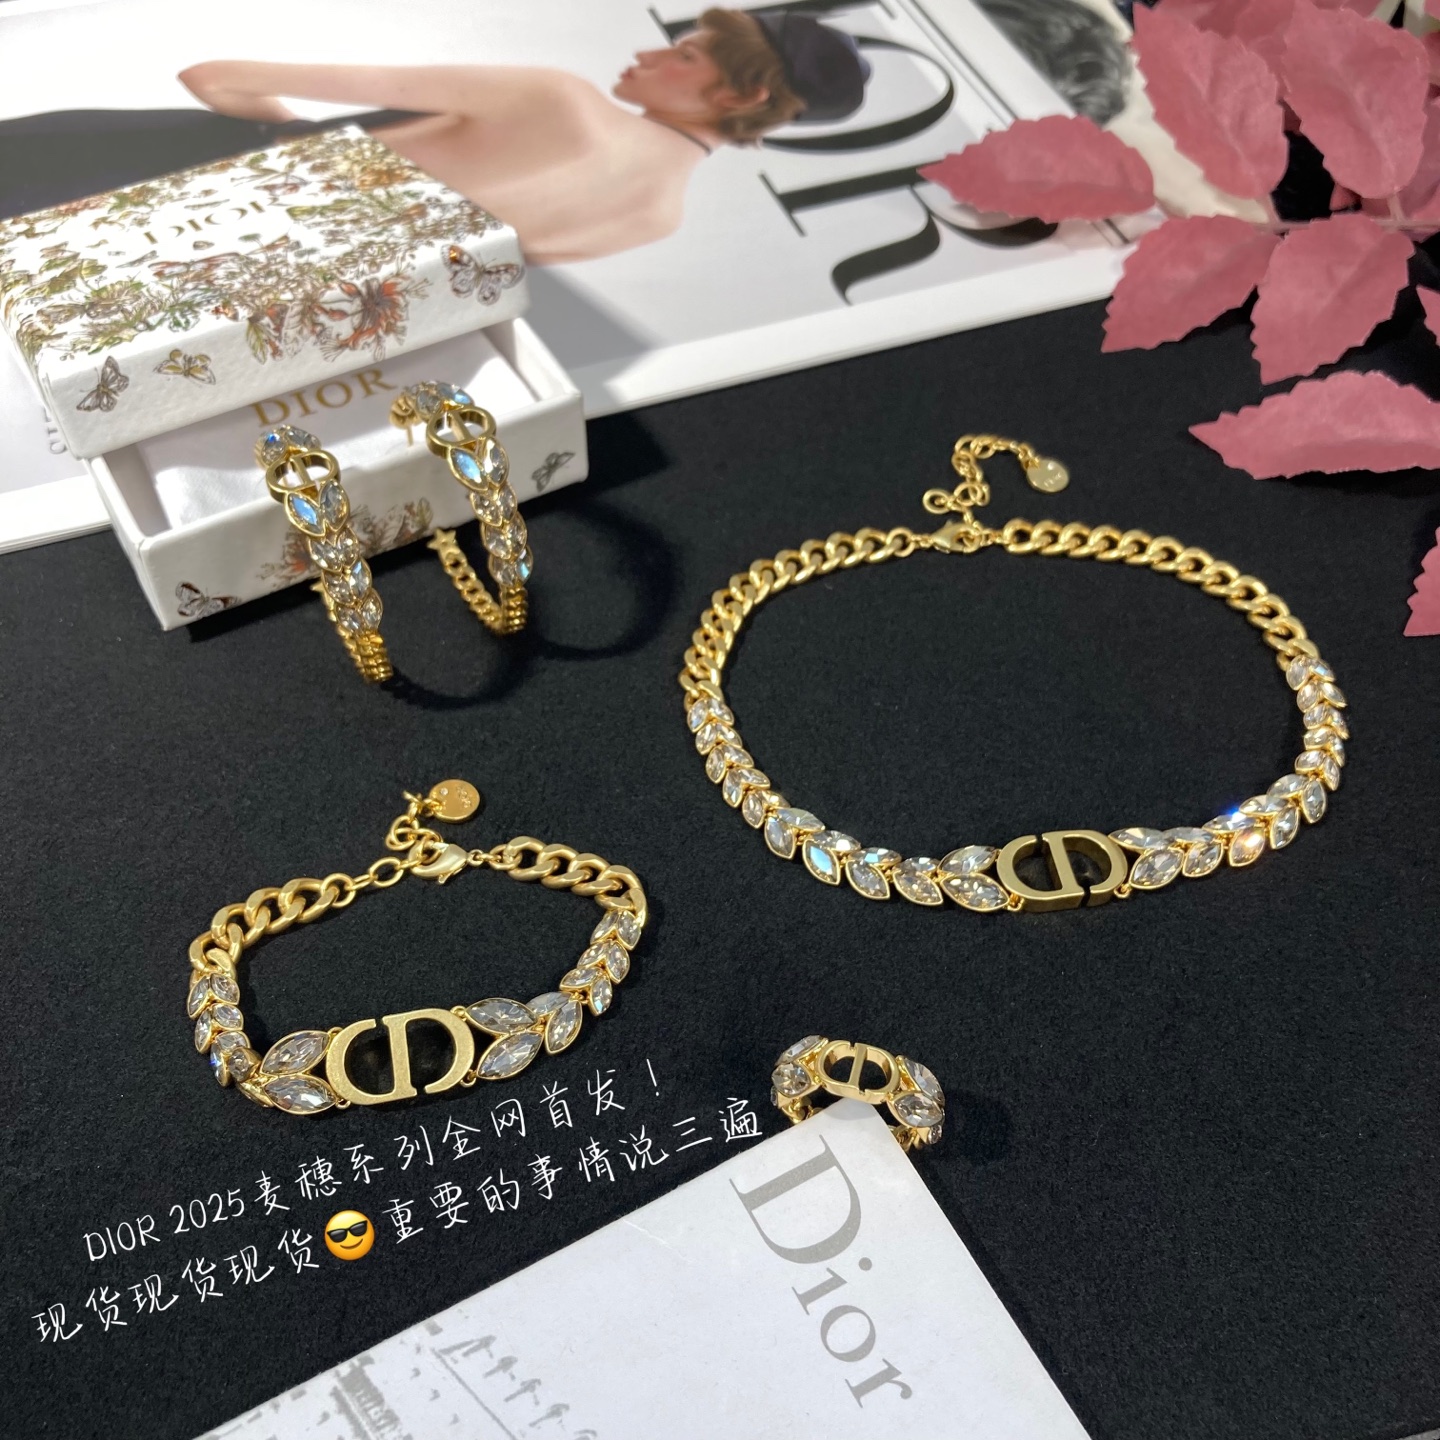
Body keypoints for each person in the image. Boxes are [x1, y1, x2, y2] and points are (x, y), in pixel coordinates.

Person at [0, 10, 871, 263]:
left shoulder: (558, 97)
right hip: (200, 267)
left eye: (683, 52)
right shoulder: (655, 218)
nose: (650, 52)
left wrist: (297, 145)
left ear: (742, 92)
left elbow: (217, 77)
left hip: (148, 172)